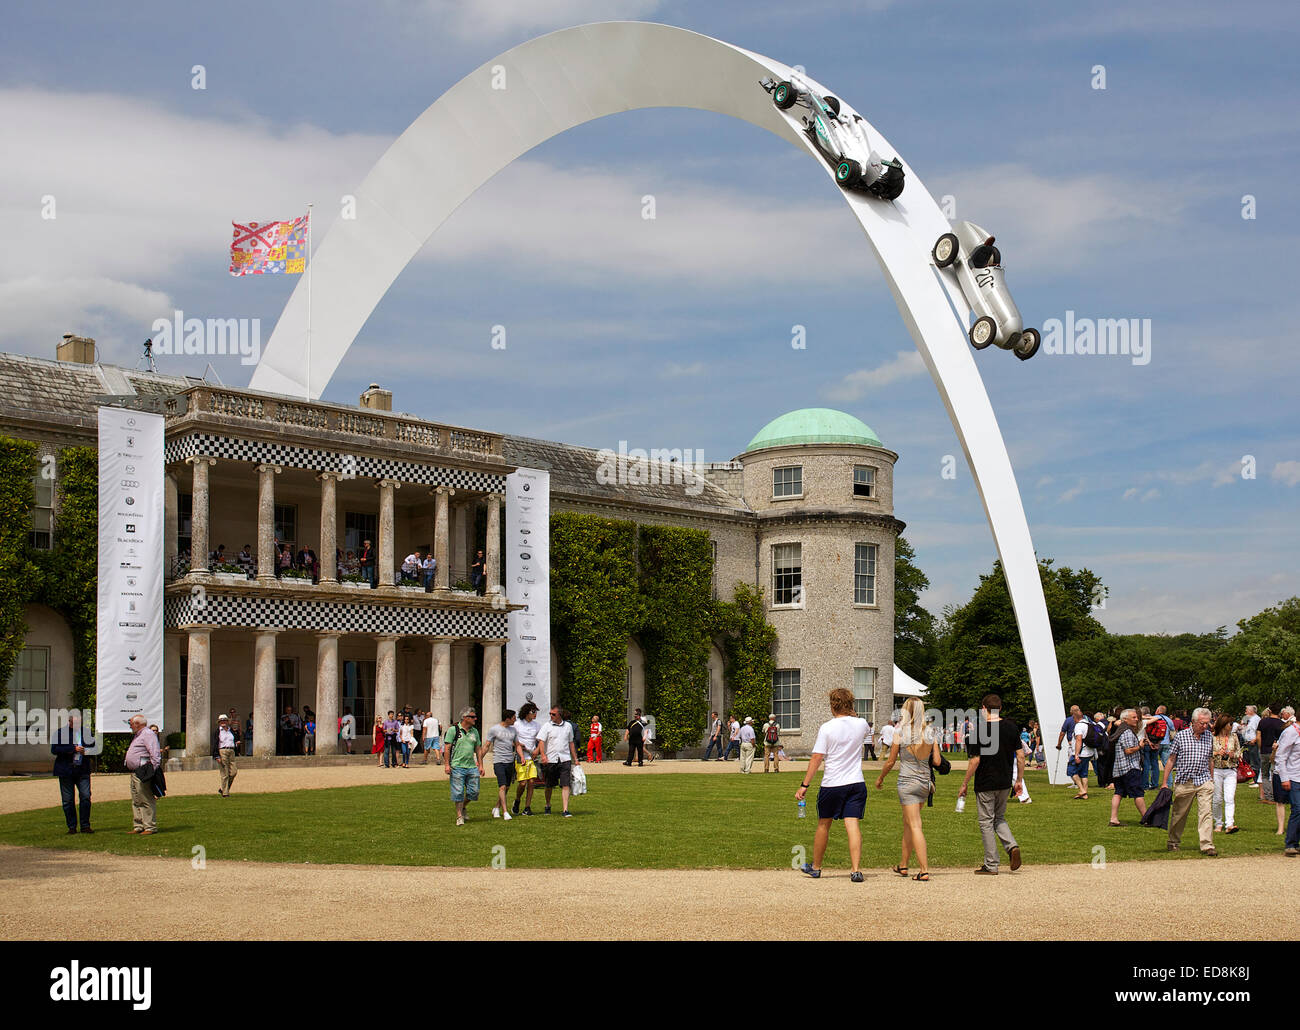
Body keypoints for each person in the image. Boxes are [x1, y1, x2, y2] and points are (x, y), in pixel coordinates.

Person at [795, 687, 870, 882]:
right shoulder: (861, 724)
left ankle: (816, 867)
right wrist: (852, 712)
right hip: (856, 782)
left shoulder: (827, 727)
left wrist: (805, 785)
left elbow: (817, 758)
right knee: (852, 824)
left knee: (823, 824)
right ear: (851, 704)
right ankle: (855, 870)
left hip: (833, 783)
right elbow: (861, 723)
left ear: (832, 705)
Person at [958, 694, 1025, 875]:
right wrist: (1019, 780)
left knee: (986, 822)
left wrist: (964, 783)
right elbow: (1020, 756)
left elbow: (975, 761)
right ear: (1000, 708)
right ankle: (1012, 846)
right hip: (1004, 781)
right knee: (999, 818)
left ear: (983, 708)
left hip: (986, 781)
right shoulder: (1011, 727)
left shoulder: (979, 731)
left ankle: (991, 864)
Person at [875, 696, 940, 881]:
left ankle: (924, 870)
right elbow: (936, 761)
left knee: (914, 825)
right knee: (908, 824)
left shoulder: (900, 732)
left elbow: (890, 760)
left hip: (907, 782)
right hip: (924, 783)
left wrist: (880, 778)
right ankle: (903, 865)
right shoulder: (930, 732)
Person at [1162, 707, 1217, 855]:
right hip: (1185, 781)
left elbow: (1210, 759)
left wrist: (1211, 778)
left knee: (1206, 813)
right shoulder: (1181, 736)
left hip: (1204, 779)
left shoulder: (1209, 737)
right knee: (1179, 814)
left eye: (1207, 723)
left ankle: (1207, 845)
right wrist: (1165, 782)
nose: (1205, 726)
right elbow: (1171, 759)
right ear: (1193, 722)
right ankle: (1173, 841)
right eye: (1202, 723)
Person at [51, 711, 92, 834]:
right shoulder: (60, 733)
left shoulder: (86, 732)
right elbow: (54, 749)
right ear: (69, 721)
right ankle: (72, 826)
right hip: (66, 770)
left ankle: (85, 825)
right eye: (75, 722)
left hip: (82, 770)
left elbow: (94, 747)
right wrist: (72, 749)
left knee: (85, 797)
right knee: (68, 800)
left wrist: (87, 751)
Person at [536, 705, 579, 817]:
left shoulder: (568, 726)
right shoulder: (547, 726)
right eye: (550, 714)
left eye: (553, 714)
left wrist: (575, 759)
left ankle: (565, 809)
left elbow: (571, 743)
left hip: (565, 759)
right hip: (551, 759)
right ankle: (548, 804)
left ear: (559, 714)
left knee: (565, 784)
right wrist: (543, 755)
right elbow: (541, 741)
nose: (551, 716)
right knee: (549, 785)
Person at [1108, 709, 1147, 826]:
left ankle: (1113, 819)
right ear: (1125, 719)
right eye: (1134, 717)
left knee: (1118, 793)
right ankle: (1146, 818)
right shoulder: (1127, 732)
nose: (1137, 719)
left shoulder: (1121, 730)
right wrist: (1139, 746)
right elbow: (1128, 750)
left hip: (1119, 769)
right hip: (1130, 767)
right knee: (1138, 793)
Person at [444, 707, 483, 825]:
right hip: (457, 766)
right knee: (458, 792)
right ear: (465, 718)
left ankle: (463, 807)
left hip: (471, 766)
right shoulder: (453, 730)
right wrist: (447, 765)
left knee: (474, 792)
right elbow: (447, 748)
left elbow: (478, 748)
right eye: (472, 717)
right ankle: (459, 816)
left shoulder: (474, 731)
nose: (475, 718)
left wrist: (481, 765)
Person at [124, 714, 161, 835]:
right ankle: (139, 825)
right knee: (136, 799)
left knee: (145, 798)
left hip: (143, 772)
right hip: (135, 772)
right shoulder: (138, 735)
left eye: (131, 724)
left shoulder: (148, 734)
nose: (130, 726)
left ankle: (149, 826)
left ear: (138, 724)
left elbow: (155, 754)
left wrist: (151, 772)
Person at [487, 710, 522, 820]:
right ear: (508, 718)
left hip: (509, 761)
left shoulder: (513, 730)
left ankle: (497, 807)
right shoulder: (494, 729)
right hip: (499, 761)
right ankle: (505, 812)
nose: (515, 720)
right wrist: (480, 760)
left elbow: (517, 745)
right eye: (513, 718)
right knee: (502, 786)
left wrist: (521, 757)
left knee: (506, 787)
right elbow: (487, 745)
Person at [1274, 710, 1300, 856]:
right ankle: (1290, 844)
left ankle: (1296, 843)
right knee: (1297, 809)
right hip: (1293, 776)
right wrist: (1284, 778)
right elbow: (1281, 756)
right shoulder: (1291, 732)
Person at [1211, 714, 1242, 834]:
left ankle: (1230, 824)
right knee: (1217, 798)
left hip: (1231, 770)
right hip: (1217, 770)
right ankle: (1218, 823)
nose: (1232, 726)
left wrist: (1233, 754)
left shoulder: (1234, 737)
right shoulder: (1213, 737)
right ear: (1224, 725)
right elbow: (1208, 753)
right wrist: (1217, 753)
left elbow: (1239, 752)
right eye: (1230, 724)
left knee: (1229, 798)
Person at [512, 702, 542, 815]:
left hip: (532, 757)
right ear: (526, 713)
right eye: (533, 712)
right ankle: (517, 800)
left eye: (536, 712)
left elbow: (541, 740)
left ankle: (527, 807)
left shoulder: (537, 725)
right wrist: (518, 745)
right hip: (521, 757)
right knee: (522, 783)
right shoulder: (517, 724)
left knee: (531, 782)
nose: (535, 714)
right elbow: (512, 739)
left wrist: (537, 750)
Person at [1258, 706, 1285, 804]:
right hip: (1276, 751)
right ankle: (1276, 795)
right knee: (1274, 773)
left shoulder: (1263, 722)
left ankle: (1268, 796)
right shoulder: (1282, 724)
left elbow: (1258, 737)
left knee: (1264, 774)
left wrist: (1261, 748)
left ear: (1269, 711)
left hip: (1265, 750)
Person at [1069, 710, 1096, 799]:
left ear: (1075, 717)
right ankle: (1085, 794)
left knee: (1071, 771)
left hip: (1080, 753)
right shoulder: (1089, 724)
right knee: (1084, 773)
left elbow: (1079, 740)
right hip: (1089, 752)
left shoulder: (1079, 726)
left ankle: (1082, 790)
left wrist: (1076, 755)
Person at [212, 713, 238, 797]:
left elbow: (233, 740)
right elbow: (215, 743)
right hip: (222, 751)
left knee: (233, 772)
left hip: (231, 751)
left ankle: (223, 788)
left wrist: (236, 744)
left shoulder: (231, 730)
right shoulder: (218, 731)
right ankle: (225, 793)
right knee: (224, 773)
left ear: (227, 722)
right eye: (221, 721)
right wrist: (216, 756)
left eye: (224, 721)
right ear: (219, 722)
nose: (223, 722)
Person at [1241, 705, 1261, 785]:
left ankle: (1257, 780)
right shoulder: (1247, 718)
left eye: (1247, 710)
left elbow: (1259, 731)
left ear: (1252, 711)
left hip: (1254, 742)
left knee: (1255, 761)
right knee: (1251, 761)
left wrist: (1255, 739)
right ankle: (1254, 778)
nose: (1245, 712)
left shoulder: (1257, 719)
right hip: (1248, 742)